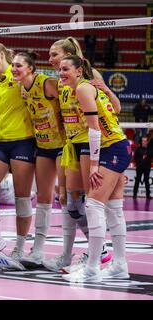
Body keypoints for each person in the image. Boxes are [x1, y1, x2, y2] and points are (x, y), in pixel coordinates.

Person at [42, 37, 114, 272]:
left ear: (69, 55)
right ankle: (90, 253)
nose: (50, 59)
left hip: (90, 143)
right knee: (72, 204)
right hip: (71, 145)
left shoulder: (89, 78)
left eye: (55, 54)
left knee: (92, 203)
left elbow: (113, 107)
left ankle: (98, 255)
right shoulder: (60, 82)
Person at [59, 55, 131, 282]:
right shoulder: (86, 88)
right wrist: (107, 91)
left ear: (79, 71)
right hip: (119, 146)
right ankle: (120, 265)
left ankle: (91, 268)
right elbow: (116, 109)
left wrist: (93, 165)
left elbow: (94, 130)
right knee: (114, 208)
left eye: (66, 69)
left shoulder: (82, 89)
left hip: (112, 148)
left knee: (93, 205)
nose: (61, 73)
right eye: (60, 69)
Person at [0, 42, 35, 262]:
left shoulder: (19, 74)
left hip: (23, 141)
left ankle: (20, 250)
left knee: (22, 199)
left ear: (3, 54)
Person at [11, 51, 66, 267]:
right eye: (13, 65)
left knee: (65, 197)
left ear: (31, 69)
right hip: (43, 147)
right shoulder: (20, 89)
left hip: (63, 145)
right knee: (43, 198)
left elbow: (70, 103)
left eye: (18, 65)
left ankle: (77, 252)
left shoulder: (47, 83)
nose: (14, 69)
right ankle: (38, 250)